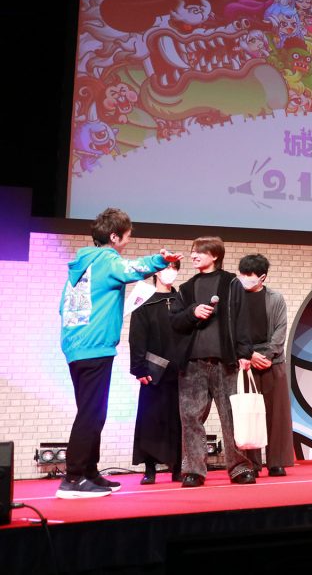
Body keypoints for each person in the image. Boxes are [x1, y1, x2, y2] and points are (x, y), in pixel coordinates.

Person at [57, 207, 179, 498]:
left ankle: (89, 472)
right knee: (91, 412)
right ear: (114, 236)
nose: (128, 241)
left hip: (77, 345)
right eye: (126, 236)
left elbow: (63, 308)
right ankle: (73, 478)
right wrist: (161, 260)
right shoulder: (106, 260)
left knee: (92, 410)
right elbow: (132, 270)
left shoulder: (83, 264)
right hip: (94, 346)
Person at [170, 237, 257, 487]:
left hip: (225, 362)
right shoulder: (186, 288)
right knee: (191, 417)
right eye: (193, 251)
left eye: (199, 251)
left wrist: (244, 353)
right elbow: (175, 322)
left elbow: (243, 319)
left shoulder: (231, 283)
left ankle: (240, 467)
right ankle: (194, 470)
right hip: (192, 364)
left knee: (231, 416)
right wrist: (192, 312)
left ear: (215, 255)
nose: (194, 255)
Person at [237, 254, 294, 477]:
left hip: (272, 360)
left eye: (249, 275)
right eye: (242, 274)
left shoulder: (275, 298)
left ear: (262, 277)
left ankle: (276, 461)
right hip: (244, 361)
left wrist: (268, 355)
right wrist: (248, 355)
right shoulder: (235, 298)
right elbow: (231, 331)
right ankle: (250, 463)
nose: (245, 279)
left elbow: (281, 330)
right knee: (248, 412)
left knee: (276, 414)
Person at [128, 259, 184, 485]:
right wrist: (139, 368)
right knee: (150, 419)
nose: (170, 272)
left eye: (174, 268)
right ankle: (149, 468)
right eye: (165, 267)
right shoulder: (144, 301)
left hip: (180, 370)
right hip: (153, 370)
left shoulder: (183, 300)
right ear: (156, 272)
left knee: (179, 419)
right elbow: (136, 337)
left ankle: (178, 467)